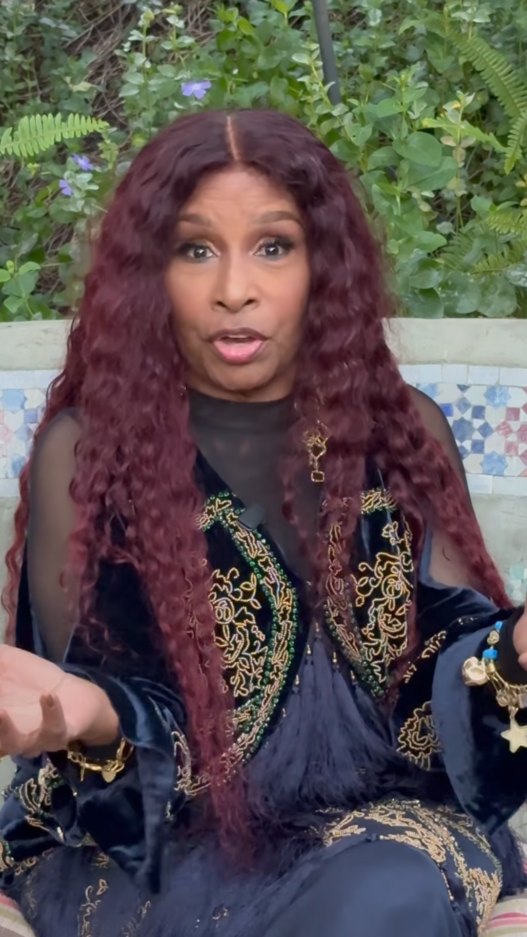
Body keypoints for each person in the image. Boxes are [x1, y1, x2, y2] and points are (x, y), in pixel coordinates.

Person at [0, 108, 526, 937]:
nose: (233, 289)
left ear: (324, 264)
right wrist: (85, 712)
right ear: (148, 274)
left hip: (380, 828)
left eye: (273, 246)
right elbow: (96, 726)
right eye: (195, 249)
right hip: (163, 845)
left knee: (388, 888)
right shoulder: (90, 452)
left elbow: (441, 695)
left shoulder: (401, 433)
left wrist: (515, 652)